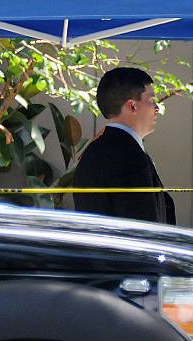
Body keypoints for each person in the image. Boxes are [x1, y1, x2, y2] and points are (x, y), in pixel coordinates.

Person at [73, 67, 176, 224]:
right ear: (132, 106)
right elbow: (143, 228)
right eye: (151, 100)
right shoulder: (131, 158)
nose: (157, 108)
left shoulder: (91, 152)